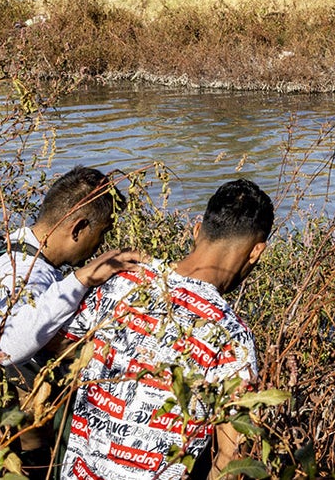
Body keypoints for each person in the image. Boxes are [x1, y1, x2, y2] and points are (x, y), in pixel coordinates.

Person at [60, 179, 275, 480]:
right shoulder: (232, 337)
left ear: (196, 230)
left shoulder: (121, 278)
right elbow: (234, 452)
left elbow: (59, 352)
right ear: (256, 252)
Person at [0, 166, 142, 479]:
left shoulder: (20, 255)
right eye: (100, 234)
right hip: (2, 456)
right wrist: (83, 278)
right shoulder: (20, 271)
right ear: (78, 228)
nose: (98, 246)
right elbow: (5, 347)